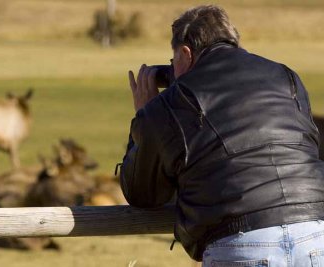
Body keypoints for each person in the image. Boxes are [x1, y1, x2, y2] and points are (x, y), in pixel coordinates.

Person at [119, 5, 324, 266]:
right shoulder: (287, 77)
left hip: (241, 242)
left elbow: (143, 193)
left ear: (185, 53)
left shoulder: (171, 103)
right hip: (315, 234)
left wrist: (144, 115)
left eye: (173, 64)